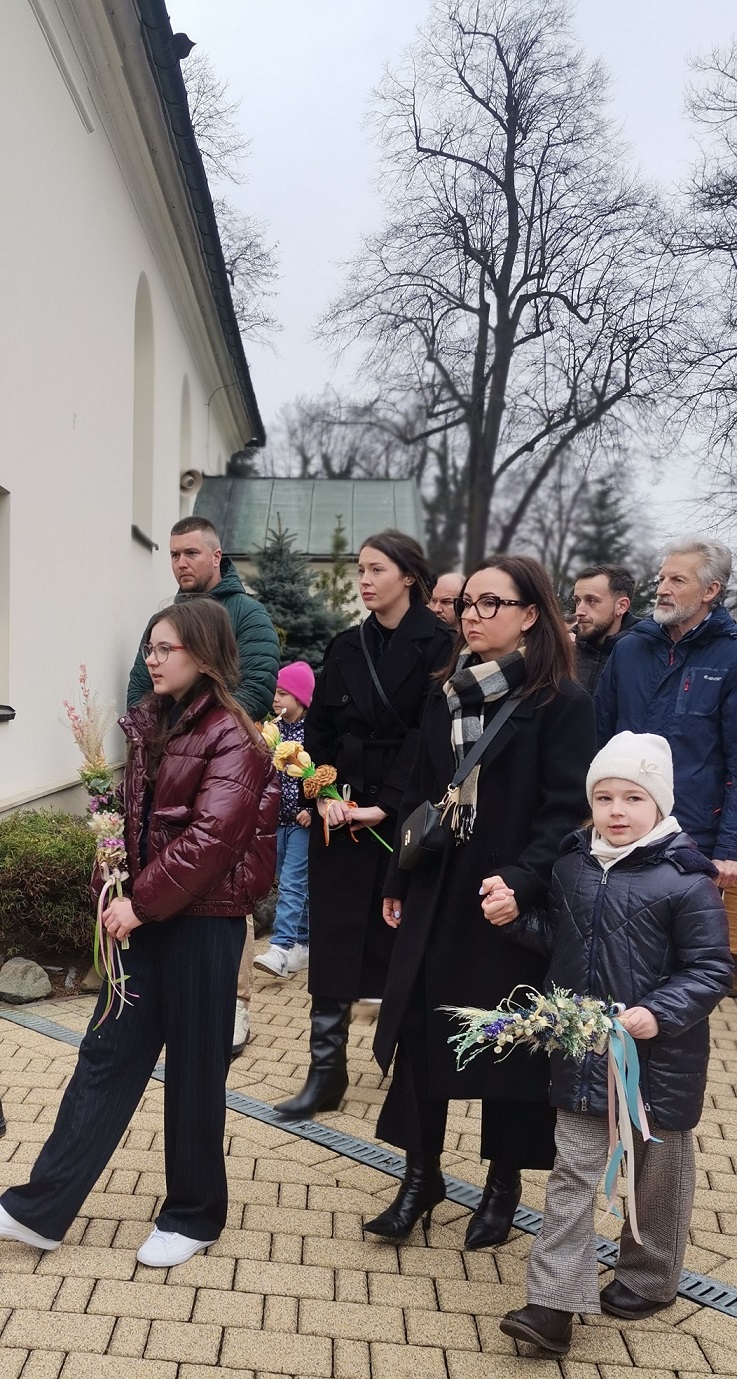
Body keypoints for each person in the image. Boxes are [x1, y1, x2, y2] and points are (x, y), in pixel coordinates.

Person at [0, 601, 278, 1268]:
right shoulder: (151, 722)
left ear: (203, 654)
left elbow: (211, 840)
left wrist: (140, 904)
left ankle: (193, 1215)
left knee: (194, 1072)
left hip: (203, 925)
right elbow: (132, 820)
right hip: (146, 921)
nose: (151, 659)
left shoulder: (234, 737)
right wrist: (111, 882)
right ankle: (40, 1209)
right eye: (149, 647)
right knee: (104, 1057)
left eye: (165, 648)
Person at [366, 555, 595, 1245]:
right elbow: (418, 790)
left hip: (504, 900)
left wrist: (522, 880)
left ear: (530, 615)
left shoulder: (560, 701)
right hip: (439, 888)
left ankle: (502, 1185)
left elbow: (565, 811)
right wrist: (398, 879)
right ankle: (420, 1176)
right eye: (467, 602)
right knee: (420, 1032)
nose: (471, 614)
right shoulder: (446, 692)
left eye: (490, 603)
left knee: (508, 1042)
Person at [498, 732, 732, 1355]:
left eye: (633, 798)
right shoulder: (572, 866)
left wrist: (659, 1012)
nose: (617, 811)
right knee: (572, 1176)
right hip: (585, 1056)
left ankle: (649, 1276)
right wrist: (517, 921)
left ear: (660, 803)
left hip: (661, 1060)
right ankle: (552, 1306)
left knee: (657, 1172)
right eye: (604, 798)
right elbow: (560, 941)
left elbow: (712, 968)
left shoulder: (687, 879)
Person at [273, 530, 454, 1121]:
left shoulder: (440, 644)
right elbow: (318, 731)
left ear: (409, 577)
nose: (365, 580)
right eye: (360, 569)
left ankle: (408, 1072)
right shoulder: (346, 644)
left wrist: (388, 804)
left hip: (401, 814)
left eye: (377, 569)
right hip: (340, 811)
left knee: (401, 943)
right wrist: (323, 791)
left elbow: (429, 735)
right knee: (332, 939)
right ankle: (325, 1073)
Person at [127, 516, 280, 1059]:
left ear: (217, 556)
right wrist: (155, 738)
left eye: (191, 552)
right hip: (165, 765)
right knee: (171, 875)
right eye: (173, 554)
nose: (180, 563)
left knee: (220, 882)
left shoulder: (247, 615)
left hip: (220, 766)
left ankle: (235, 1001)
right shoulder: (165, 620)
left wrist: (204, 729)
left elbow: (257, 686)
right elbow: (140, 688)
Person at [595, 536, 737, 888]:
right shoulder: (628, 650)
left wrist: (730, 846)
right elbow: (597, 738)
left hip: (693, 840)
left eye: (677, 580)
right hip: (620, 833)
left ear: (710, 591)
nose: (662, 589)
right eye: (661, 579)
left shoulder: (731, 656)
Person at [254, 661, 316, 979]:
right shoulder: (273, 732)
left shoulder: (313, 733)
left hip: (302, 823)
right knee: (292, 883)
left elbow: (322, 775)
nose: (275, 699)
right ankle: (303, 944)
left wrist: (313, 808)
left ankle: (279, 948)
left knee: (292, 884)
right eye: (275, 693)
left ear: (301, 698)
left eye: (283, 693)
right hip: (277, 822)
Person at [572, 563, 638, 694]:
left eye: (591, 601)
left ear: (621, 606)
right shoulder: (563, 653)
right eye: (577, 601)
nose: (579, 611)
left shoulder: (644, 657)